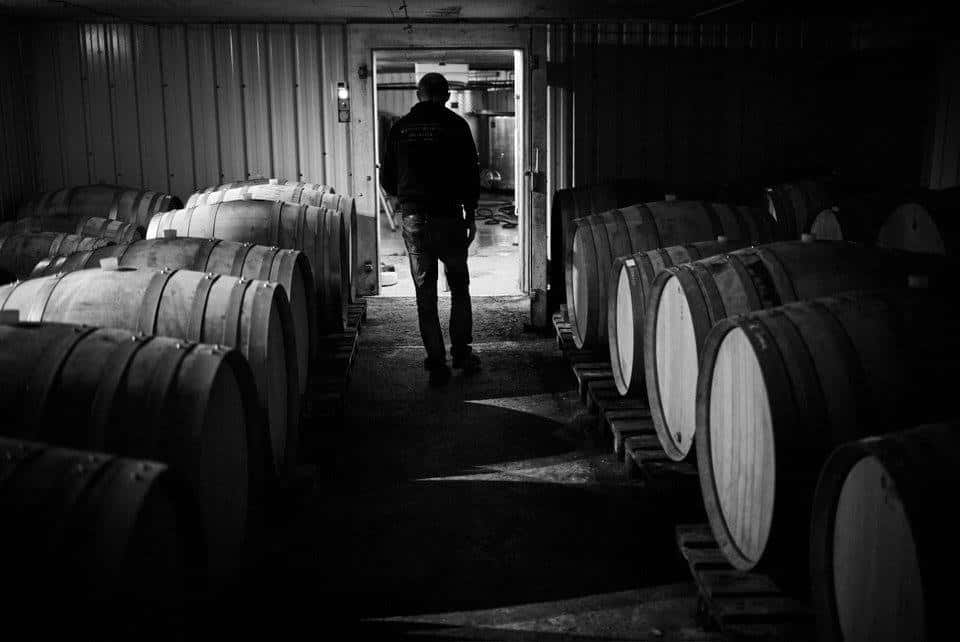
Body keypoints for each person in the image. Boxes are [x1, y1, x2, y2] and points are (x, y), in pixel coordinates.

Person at [380, 72, 482, 386]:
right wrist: (470, 214)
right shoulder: (457, 125)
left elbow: (387, 178)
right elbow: (470, 173)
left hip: (415, 220)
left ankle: (437, 362)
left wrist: (406, 200)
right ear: (447, 95)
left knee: (425, 292)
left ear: (418, 94)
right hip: (449, 218)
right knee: (459, 286)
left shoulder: (400, 128)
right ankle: (461, 353)